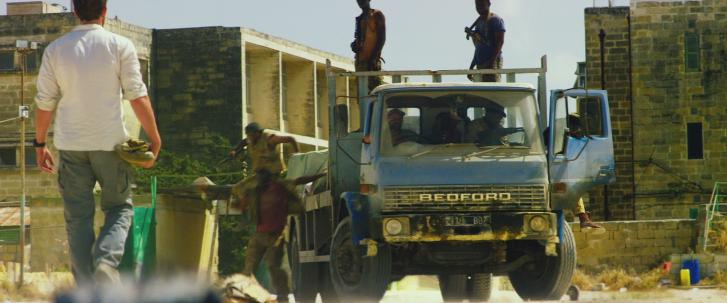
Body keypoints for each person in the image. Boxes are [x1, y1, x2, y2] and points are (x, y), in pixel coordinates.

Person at [33, 0, 162, 285]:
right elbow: (137, 96)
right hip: (110, 144)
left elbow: (45, 103)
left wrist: (40, 144)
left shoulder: (56, 50)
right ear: (105, 11)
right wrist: (153, 138)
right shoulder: (120, 46)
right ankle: (105, 262)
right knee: (119, 208)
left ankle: (86, 291)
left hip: (71, 145)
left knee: (77, 218)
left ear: (75, 12)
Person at [232, 169, 327, 302]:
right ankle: (244, 293)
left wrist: (320, 175)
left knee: (273, 266)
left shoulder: (281, 187)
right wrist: (239, 204)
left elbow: (299, 180)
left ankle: (283, 296)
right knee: (250, 266)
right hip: (259, 234)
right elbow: (240, 202)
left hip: (275, 235)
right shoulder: (255, 192)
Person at [542, 114, 601, 229]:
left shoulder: (558, 132)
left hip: (558, 171)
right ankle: (583, 218)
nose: (579, 130)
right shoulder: (556, 133)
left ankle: (583, 217)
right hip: (553, 172)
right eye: (577, 127)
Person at [352, 0, 386, 92]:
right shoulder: (360, 19)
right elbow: (359, 39)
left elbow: (381, 39)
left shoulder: (376, 15)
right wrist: (353, 45)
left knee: (375, 92)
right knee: (362, 94)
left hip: (372, 63)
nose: (360, 1)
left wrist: (373, 59)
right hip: (360, 63)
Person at [467, 0, 505, 82]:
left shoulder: (495, 20)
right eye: (477, 4)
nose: (479, 7)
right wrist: (471, 67)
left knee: (493, 91)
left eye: (482, 4)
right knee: (479, 92)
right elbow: (478, 48)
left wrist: (492, 62)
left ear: (489, 3)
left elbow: (500, 41)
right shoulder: (478, 23)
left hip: (492, 63)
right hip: (480, 65)